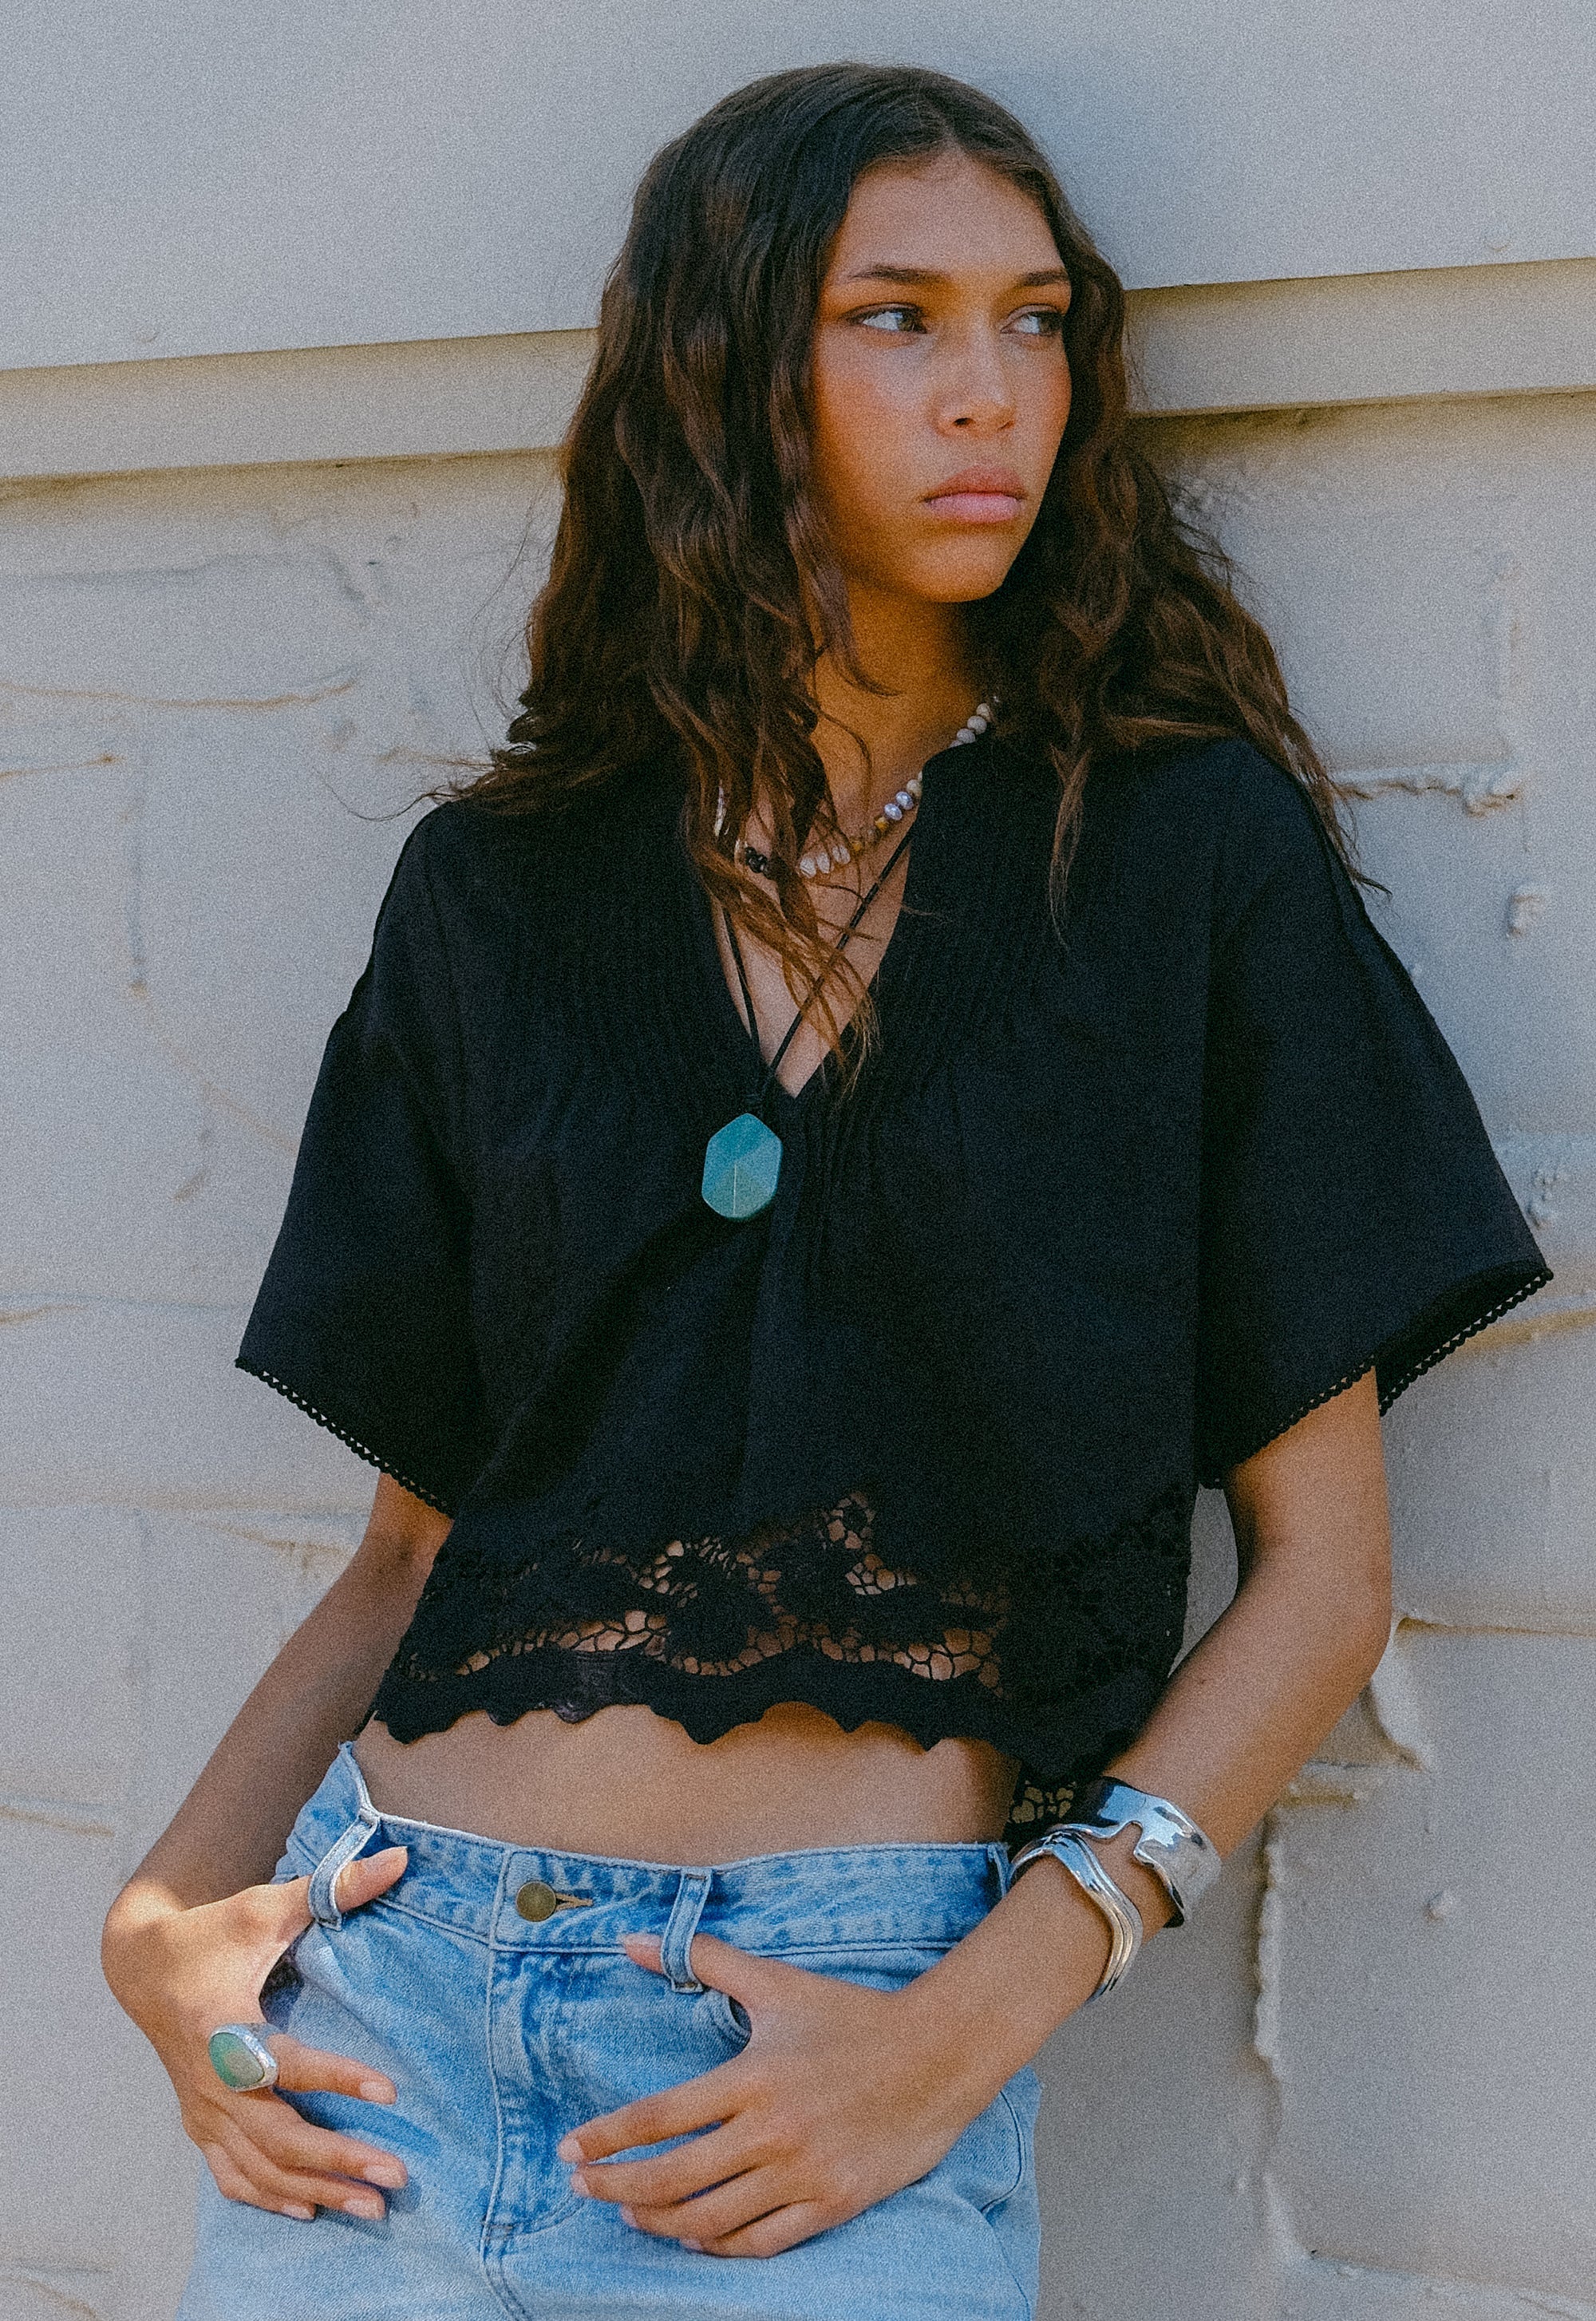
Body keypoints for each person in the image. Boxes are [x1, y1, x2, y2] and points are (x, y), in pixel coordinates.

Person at [101, 62, 1548, 2321]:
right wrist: (165, 1909)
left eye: (1038, 320)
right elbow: (414, 1542)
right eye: (898, 318)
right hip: (381, 2032)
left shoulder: (1171, 860)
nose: (993, 391)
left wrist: (972, 2019)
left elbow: (1327, 1575)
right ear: (724, 370)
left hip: (819, 2058)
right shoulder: (500, 889)